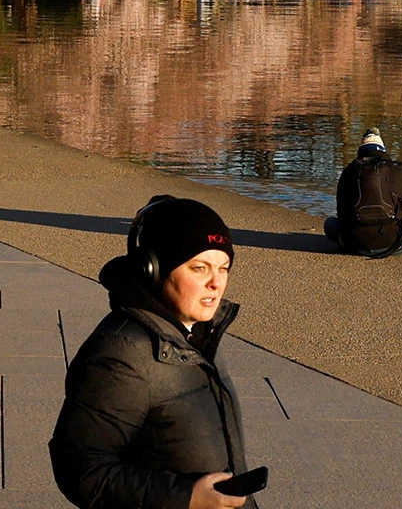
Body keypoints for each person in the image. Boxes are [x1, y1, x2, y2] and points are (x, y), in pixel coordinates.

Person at [51, 196, 253, 509]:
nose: (216, 283)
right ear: (153, 270)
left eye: (223, 268)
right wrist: (187, 497)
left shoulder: (198, 334)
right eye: (199, 268)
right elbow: (81, 469)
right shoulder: (122, 352)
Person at [324, 129, 402, 257]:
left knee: (330, 223)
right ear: (382, 150)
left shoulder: (348, 172)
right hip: (393, 245)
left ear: (360, 152)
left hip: (353, 246)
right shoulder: (398, 169)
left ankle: (358, 242)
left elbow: (341, 212)